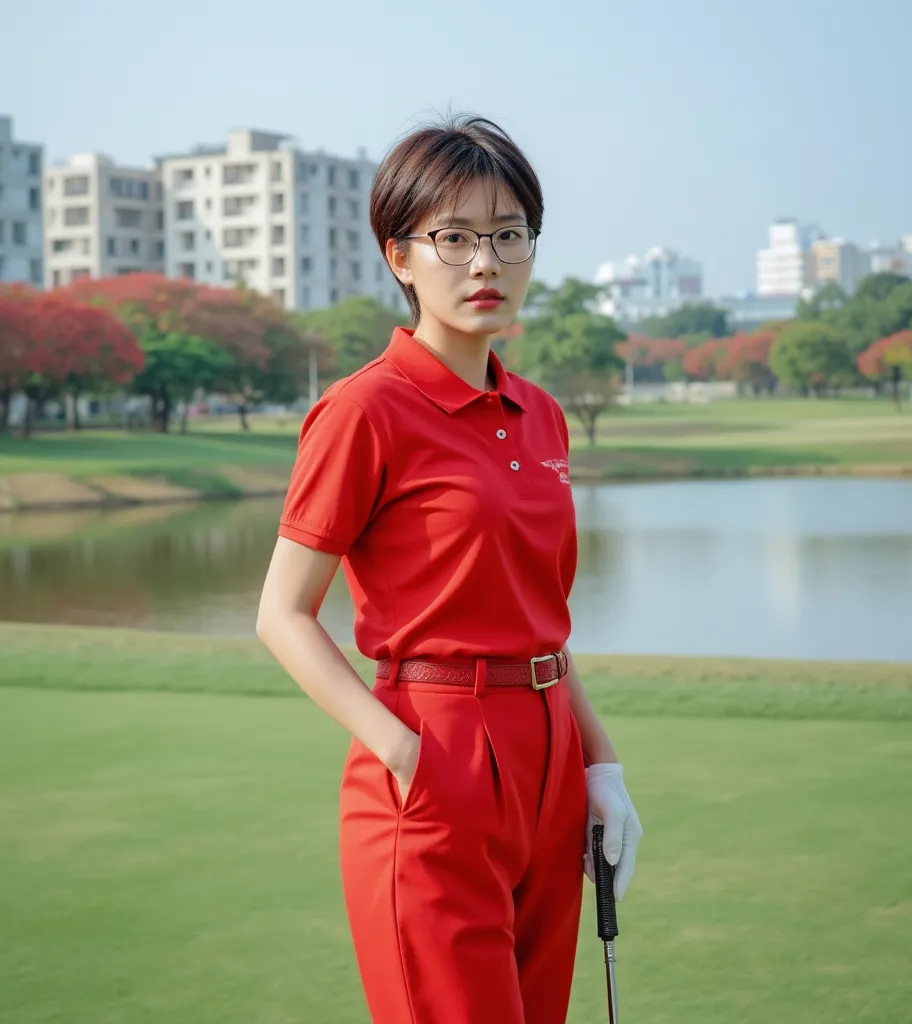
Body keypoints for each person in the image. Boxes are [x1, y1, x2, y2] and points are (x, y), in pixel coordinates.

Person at [256, 115, 643, 1024]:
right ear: (400, 255)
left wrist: (601, 765)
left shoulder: (540, 413)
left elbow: (541, 615)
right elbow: (283, 613)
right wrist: (404, 754)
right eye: (455, 237)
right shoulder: (364, 411)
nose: (486, 263)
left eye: (509, 235)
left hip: (551, 755)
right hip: (435, 751)